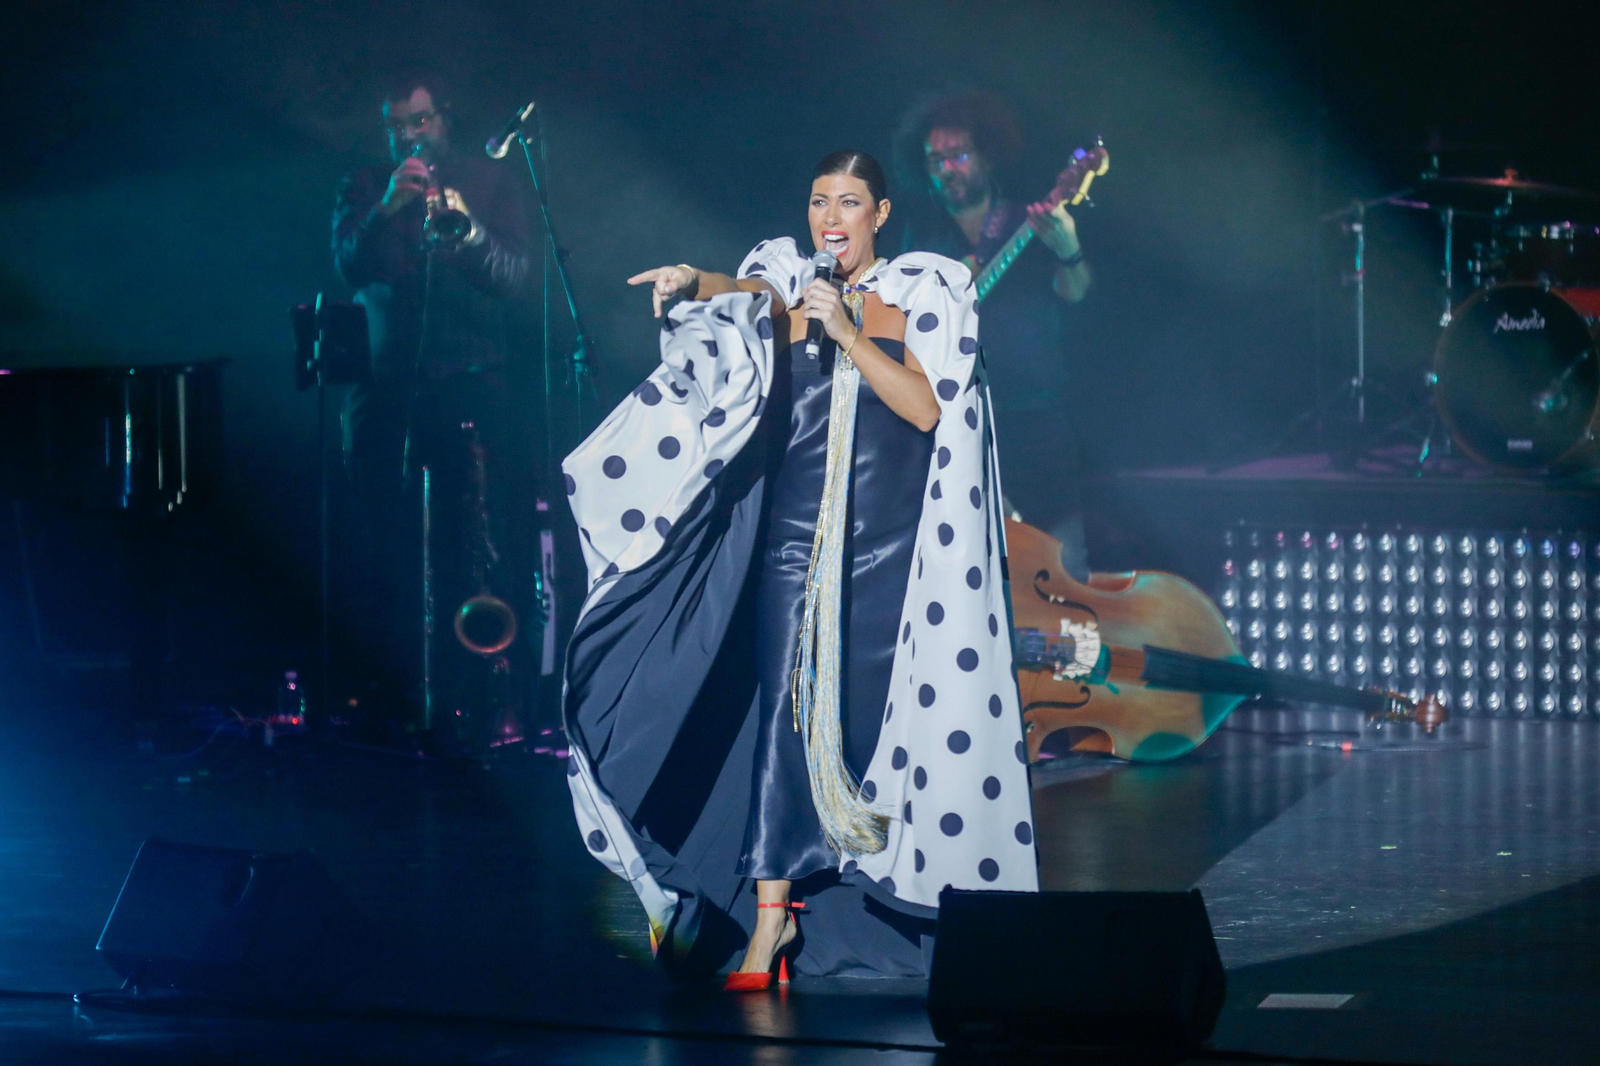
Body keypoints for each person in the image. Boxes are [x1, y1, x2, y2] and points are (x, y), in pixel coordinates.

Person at [561, 151, 1037, 986]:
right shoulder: (788, 288)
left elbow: (929, 408)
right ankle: (771, 918)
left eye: (849, 202)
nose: (830, 217)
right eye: (819, 200)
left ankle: (878, 890)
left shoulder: (916, 294)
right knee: (787, 718)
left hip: (889, 555)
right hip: (792, 547)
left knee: (864, 727)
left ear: (880, 215)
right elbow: (741, 292)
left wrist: (849, 333)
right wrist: (691, 278)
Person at [331, 74, 533, 730]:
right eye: (398, 127)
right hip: (388, 388)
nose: (409, 136)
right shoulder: (366, 186)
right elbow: (348, 268)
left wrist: (466, 231)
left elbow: (512, 280)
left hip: (472, 379)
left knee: (475, 540)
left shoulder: (490, 180)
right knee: (383, 534)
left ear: (443, 119)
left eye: (419, 123)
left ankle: (481, 689)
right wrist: (389, 208)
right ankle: (388, 691)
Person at [892, 89, 1093, 579]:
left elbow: (1076, 293)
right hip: (959, 425)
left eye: (958, 155)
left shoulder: (1029, 220)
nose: (946, 168)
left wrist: (1067, 249)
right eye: (935, 159)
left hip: (1037, 421)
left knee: (1063, 567)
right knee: (971, 572)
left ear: (986, 156)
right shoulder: (921, 237)